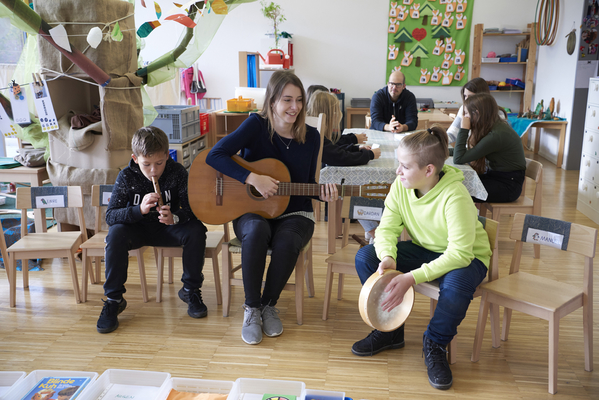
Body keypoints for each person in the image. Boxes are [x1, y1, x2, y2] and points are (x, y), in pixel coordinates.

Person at [352, 127, 491, 390]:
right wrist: (388, 257)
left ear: (428, 170)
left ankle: (436, 343)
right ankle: (390, 331)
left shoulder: (455, 195)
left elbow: (460, 253)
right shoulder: (400, 187)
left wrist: (411, 277)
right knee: (366, 258)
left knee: (456, 287)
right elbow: (387, 229)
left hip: (468, 257)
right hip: (428, 249)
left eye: (404, 166)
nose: (397, 172)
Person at [206, 70, 338, 345]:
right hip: (251, 210)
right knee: (255, 231)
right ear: (272, 101)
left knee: (288, 239)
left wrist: (322, 194)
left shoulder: (312, 137)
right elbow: (214, 155)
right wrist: (252, 178)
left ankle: (269, 304)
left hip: (295, 211)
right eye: (287, 99)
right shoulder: (255, 125)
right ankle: (252, 308)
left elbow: (308, 184)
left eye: (299, 100)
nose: (295, 107)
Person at [96, 126, 208, 334]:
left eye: (159, 163)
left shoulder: (177, 173)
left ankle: (190, 290)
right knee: (115, 234)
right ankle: (114, 299)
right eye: (146, 164)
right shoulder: (127, 176)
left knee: (196, 230)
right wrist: (138, 210)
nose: (154, 171)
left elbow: (193, 210)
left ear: (167, 155)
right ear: (135, 158)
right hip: (137, 230)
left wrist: (175, 217)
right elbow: (111, 216)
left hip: (167, 229)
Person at [453, 93, 526, 203]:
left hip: (508, 186)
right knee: (456, 185)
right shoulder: (493, 127)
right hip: (497, 178)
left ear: (476, 113)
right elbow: (467, 153)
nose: (465, 118)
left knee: (458, 191)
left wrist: (464, 128)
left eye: (467, 114)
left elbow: (459, 158)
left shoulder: (496, 135)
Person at [307, 90, 381, 166]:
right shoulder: (316, 137)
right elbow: (340, 157)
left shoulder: (314, 131)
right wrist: (370, 155)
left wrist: (356, 148)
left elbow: (334, 149)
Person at [446, 77, 507, 144]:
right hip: (471, 151)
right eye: (465, 96)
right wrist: (437, 137)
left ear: (482, 97)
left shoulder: (498, 113)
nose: (467, 100)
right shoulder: (463, 109)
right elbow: (452, 134)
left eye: (471, 96)